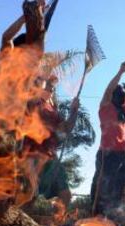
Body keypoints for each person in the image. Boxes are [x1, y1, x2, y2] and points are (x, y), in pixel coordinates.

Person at [22, 75, 80, 207]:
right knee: (30, 195)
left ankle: (59, 224)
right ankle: (17, 223)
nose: (52, 90)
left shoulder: (53, 109)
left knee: (65, 194)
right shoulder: (32, 102)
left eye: (53, 88)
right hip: (33, 155)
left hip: (50, 158)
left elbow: (65, 130)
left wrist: (74, 111)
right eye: (49, 87)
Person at [90, 61, 125, 215]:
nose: (122, 93)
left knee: (120, 185)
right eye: (119, 91)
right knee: (103, 187)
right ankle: (96, 217)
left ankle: (116, 217)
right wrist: (120, 72)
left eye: (123, 92)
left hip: (121, 155)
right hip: (106, 154)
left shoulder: (123, 111)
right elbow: (108, 90)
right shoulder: (106, 107)